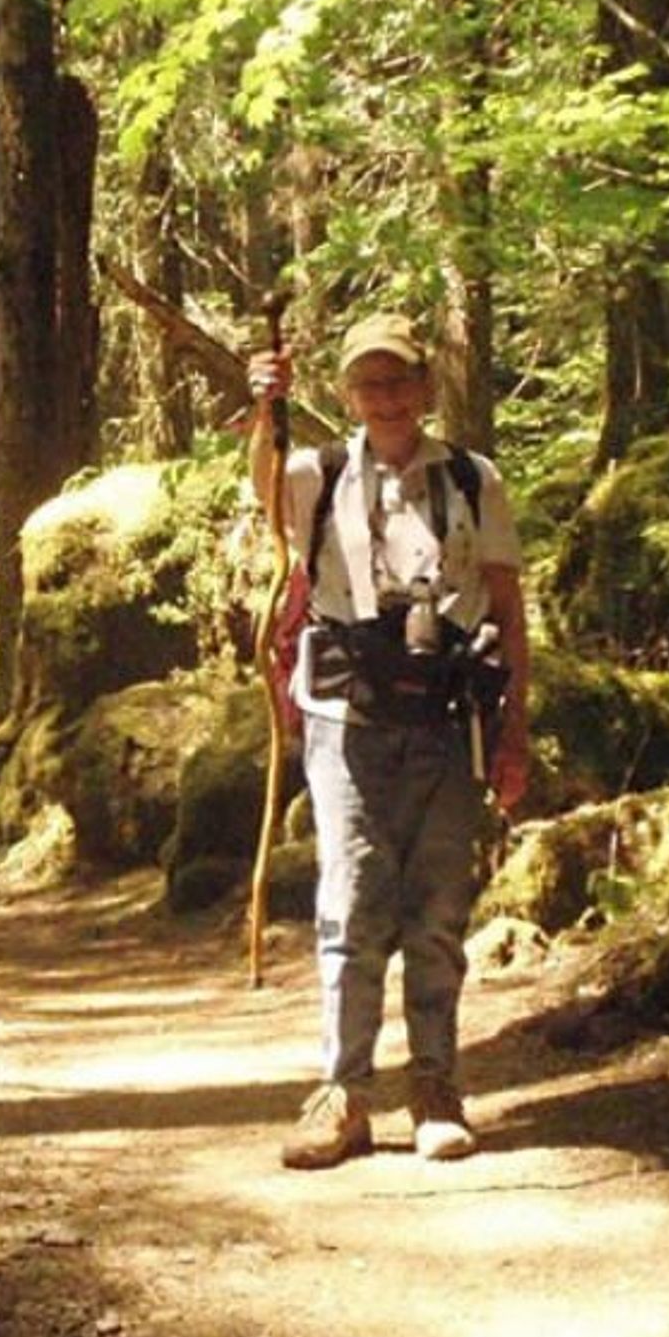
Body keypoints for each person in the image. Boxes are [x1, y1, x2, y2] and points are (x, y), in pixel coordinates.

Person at [246, 312, 531, 1169]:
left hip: (450, 721)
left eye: (400, 380)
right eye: (369, 384)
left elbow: (509, 608)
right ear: (347, 395)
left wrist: (514, 729)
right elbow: (265, 497)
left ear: (425, 386)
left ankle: (436, 1086)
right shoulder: (317, 473)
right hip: (348, 723)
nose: (387, 398)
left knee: (439, 911)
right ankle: (344, 1094)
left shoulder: (474, 480)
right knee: (353, 904)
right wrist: (265, 411)